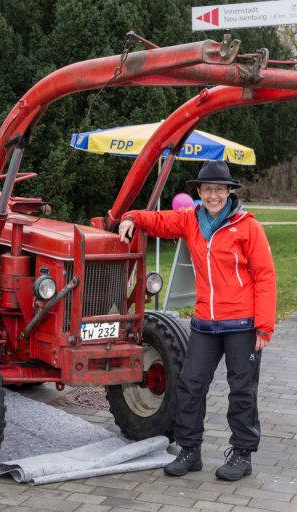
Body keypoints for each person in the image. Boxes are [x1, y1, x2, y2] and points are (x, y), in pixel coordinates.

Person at [118, 161, 276, 482]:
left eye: (219, 189)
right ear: (199, 192)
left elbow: (265, 276)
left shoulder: (247, 226)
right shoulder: (191, 220)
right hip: (205, 322)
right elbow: (159, 220)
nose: (213, 195)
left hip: (242, 324)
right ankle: (190, 450)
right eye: (207, 189)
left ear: (229, 191)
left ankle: (242, 454)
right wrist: (131, 217)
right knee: (190, 385)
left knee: (242, 389)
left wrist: (264, 326)